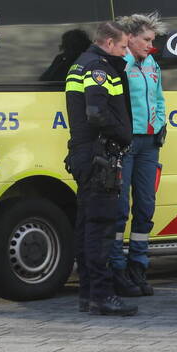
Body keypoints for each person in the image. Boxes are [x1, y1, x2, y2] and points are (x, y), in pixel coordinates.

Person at [64, 22, 138, 316]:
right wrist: (122, 135)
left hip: (85, 154)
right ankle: (103, 297)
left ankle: (88, 294)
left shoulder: (78, 65)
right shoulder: (99, 68)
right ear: (108, 43)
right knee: (101, 229)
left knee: (86, 227)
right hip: (100, 156)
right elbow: (96, 112)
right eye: (122, 47)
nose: (125, 52)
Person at [108, 13, 167, 297]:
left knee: (145, 207)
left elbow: (158, 97)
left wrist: (161, 124)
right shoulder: (120, 64)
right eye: (146, 40)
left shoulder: (152, 63)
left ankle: (138, 268)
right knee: (120, 210)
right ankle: (116, 269)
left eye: (152, 40)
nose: (150, 45)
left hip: (149, 144)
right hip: (126, 144)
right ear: (129, 37)